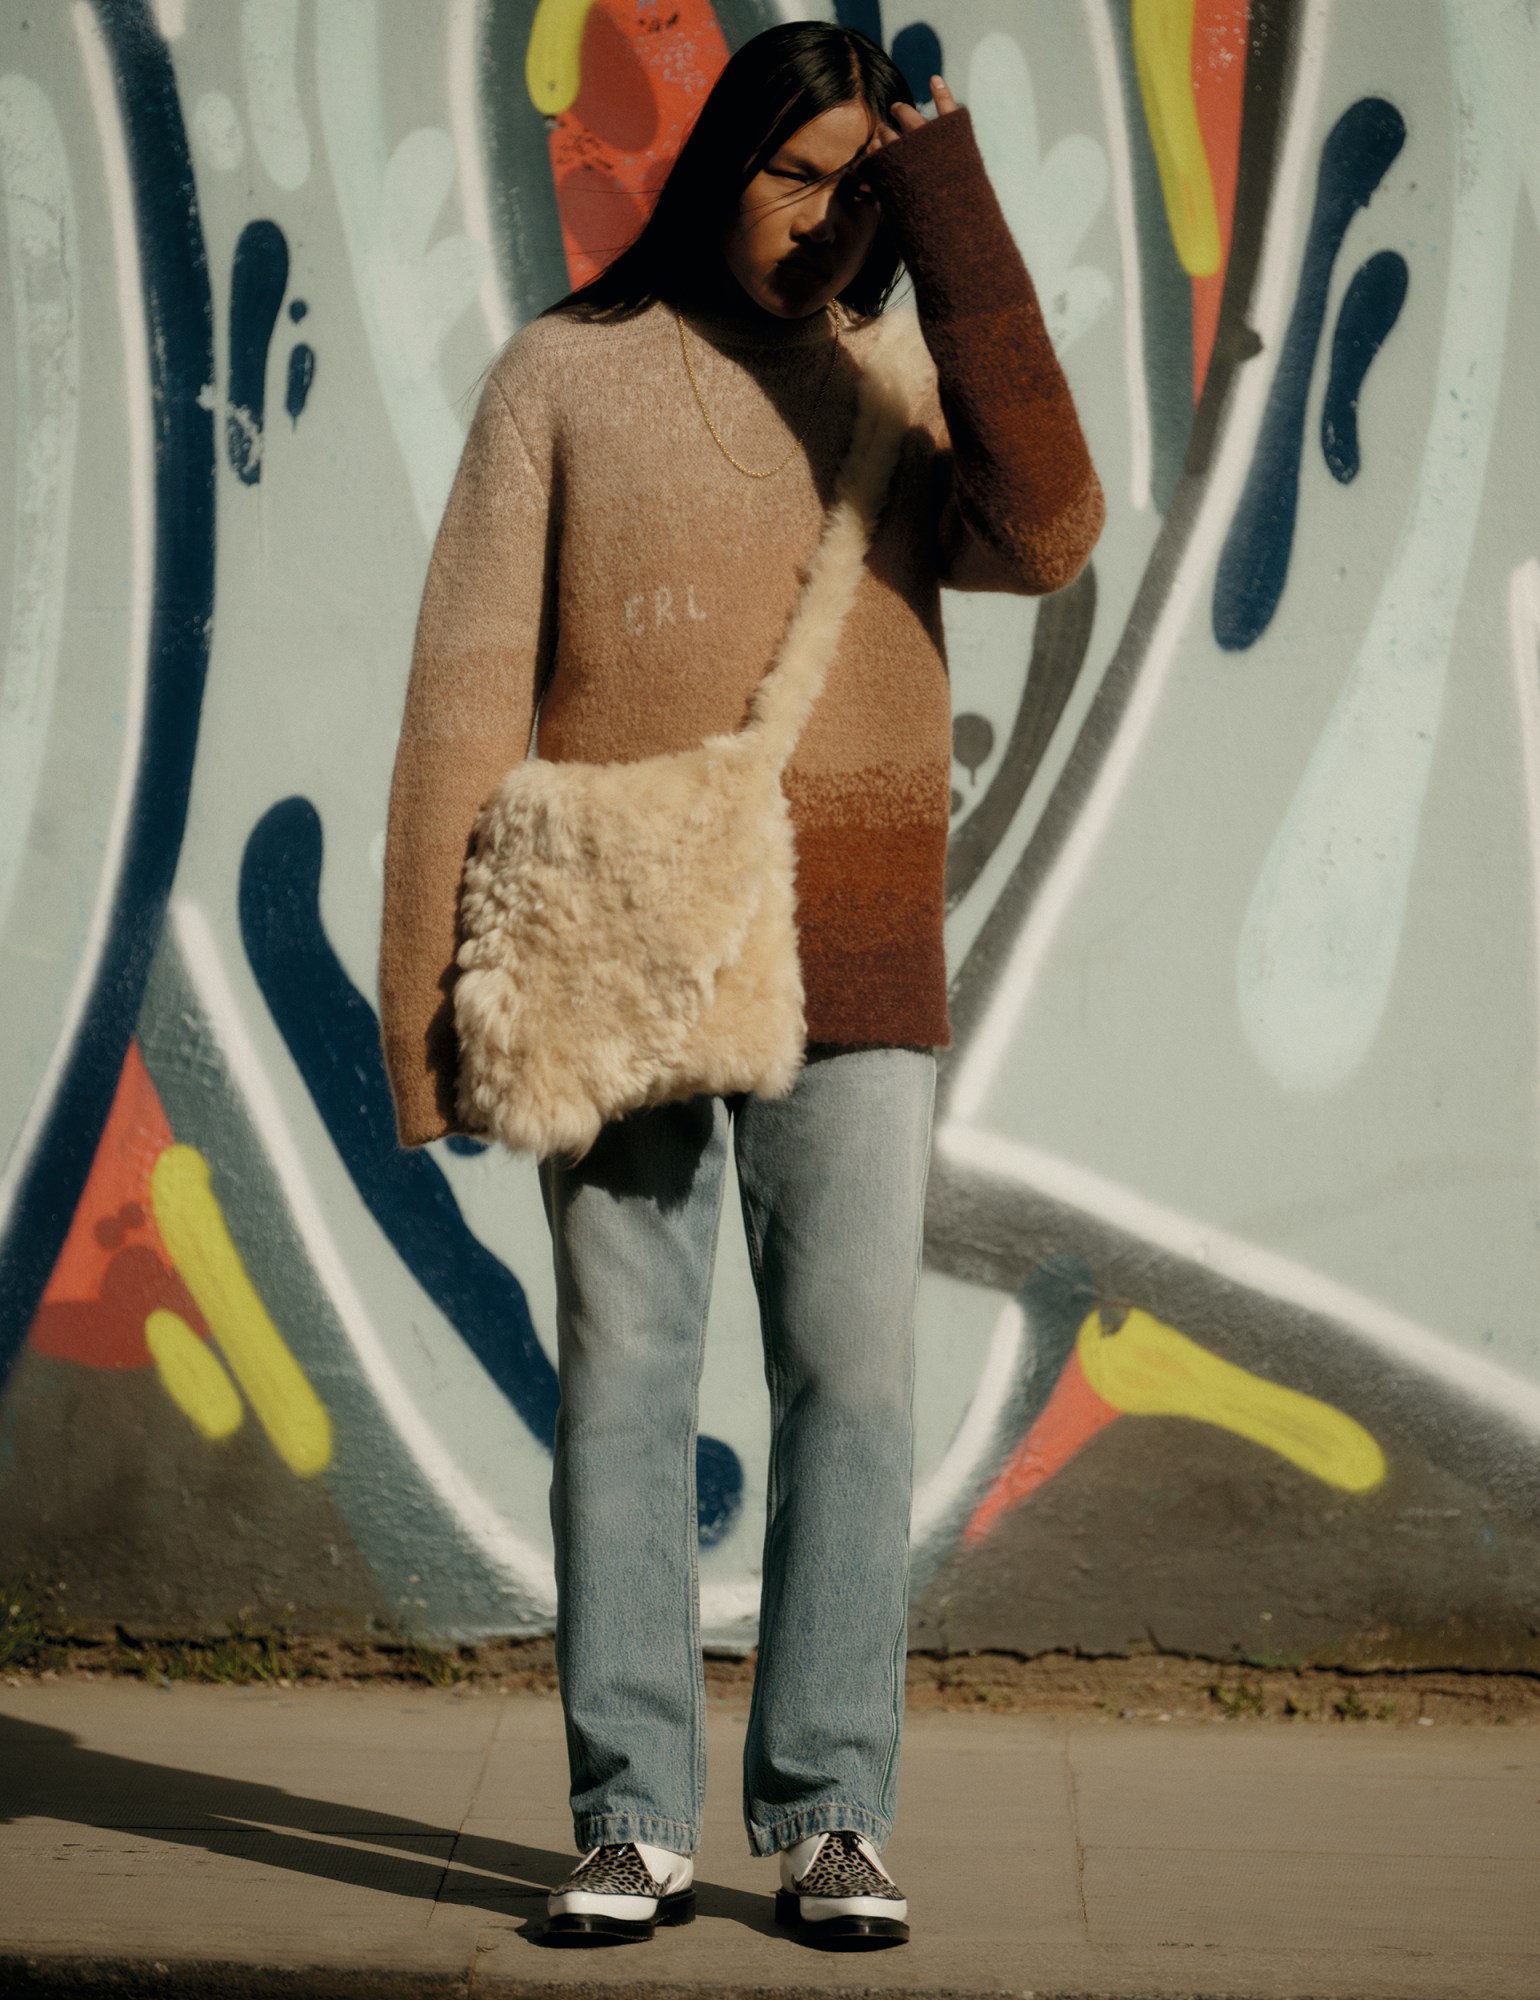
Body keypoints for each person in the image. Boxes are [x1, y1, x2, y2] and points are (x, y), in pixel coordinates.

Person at [379, 21, 1102, 1952]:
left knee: (852, 1381)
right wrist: (425, 1021)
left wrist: (945, 205)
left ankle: (830, 1813)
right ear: (720, 167)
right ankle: (629, 1814)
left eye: (858, 186)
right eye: (798, 174)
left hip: (856, 948)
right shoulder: (564, 375)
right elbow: (459, 697)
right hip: (616, 942)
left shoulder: (893, 380)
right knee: (620, 1380)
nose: (821, 216)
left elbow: (1051, 525)